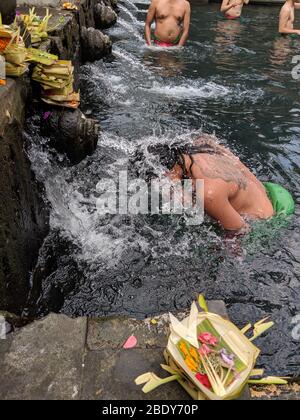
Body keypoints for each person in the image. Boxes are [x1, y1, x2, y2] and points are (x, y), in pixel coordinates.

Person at [152, 135, 275, 231]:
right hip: (264, 191)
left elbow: (240, 230)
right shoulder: (204, 146)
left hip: (263, 219)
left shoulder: (209, 193)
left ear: (166, 173)